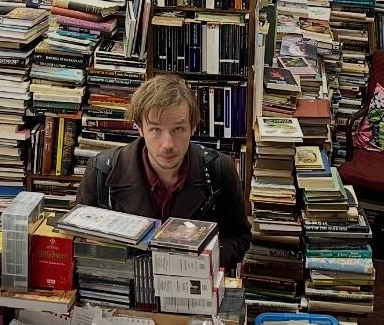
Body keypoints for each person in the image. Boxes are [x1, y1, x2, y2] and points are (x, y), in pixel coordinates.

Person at [75, 74, 252, 269]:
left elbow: (239, 237)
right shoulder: (101, 170)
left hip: (193, 288)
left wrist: (208, 259)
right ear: (139, 128)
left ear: (193, 127)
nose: (168, 144)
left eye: (178, 129)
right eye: (156, 130)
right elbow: (80, 240)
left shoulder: (220, 169)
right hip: (124, 290)